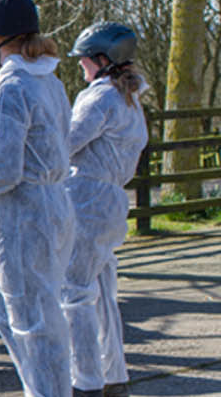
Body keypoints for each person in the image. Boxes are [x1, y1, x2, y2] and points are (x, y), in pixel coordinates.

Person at [0, 0, 75, 397]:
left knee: (31, 325)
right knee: (18, 318)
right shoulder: (50, 81)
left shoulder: (7, 87)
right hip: (55, 206)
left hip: (22, 214)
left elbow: (1, 170)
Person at [60, 22, 149, 397]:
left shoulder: (99, 98)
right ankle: (114, 377)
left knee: (74, 294)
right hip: (112, 202)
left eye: (84, 59)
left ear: (101, 59)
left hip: (86, 200)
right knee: (102, 294)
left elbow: (65, 143)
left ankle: (86, 382)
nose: (80, 65)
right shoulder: (129, 100)